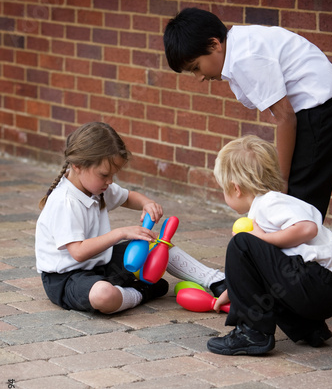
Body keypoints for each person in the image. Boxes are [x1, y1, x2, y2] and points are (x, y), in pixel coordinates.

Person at [164, 7, 332, 220]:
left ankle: (299, 249)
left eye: (196, 67)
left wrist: (281, 180)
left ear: (215, 44)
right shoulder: (240, 45)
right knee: (295, 196)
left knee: (299, 200)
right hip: (317, 107)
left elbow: (285, 118)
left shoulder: (245, 59)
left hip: (320, 109)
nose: (198, 77)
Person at [35, 122, 225, 314]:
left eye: (113, 175)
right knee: (103, 295)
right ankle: (140, 292)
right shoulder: (64, 202)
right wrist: (121, 233)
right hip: (67, 279)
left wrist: (146, 203)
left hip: (101, 262)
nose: (110, 181)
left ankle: (216, 280)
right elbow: (78, 252)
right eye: (104, 175)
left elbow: (127, 197)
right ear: (77, 166)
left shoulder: (95, 187)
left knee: (157, 245)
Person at [206, 135, 332, 356]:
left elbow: (307, 228)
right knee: (257, 256)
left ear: (235, 188)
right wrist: (235, 291)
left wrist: (262, 238)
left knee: (241, 244)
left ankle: (251, 333)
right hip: (325, 292)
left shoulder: (269, 202)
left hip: (318, 283)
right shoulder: (275, 203)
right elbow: (266, 268)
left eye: (222, 189)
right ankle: (309, 328)